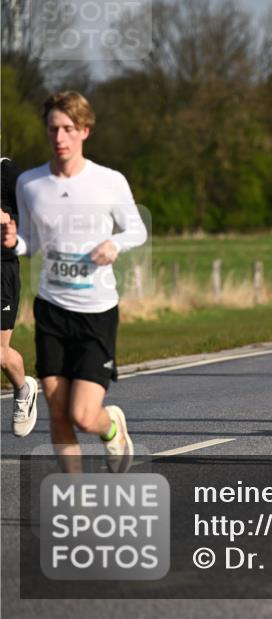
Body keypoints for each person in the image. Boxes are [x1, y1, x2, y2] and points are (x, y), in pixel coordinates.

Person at [2, 91, 147, 472]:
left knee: (84, 414)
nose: (60, 137)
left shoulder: (108, 181)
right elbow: (31, 242)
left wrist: (115, 244)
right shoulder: (31, 184)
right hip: (51, 309)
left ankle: (111, 426)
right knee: (58, 411)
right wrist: (13, 240)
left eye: (68, 128)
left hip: (95, 312)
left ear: (85, 130)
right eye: (53, 129)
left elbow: (137, 230)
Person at [1, 157, 40, 437]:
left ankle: (23, 390)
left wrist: (10, 221)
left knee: (1, 356)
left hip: (1, 269)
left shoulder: (7, 172)